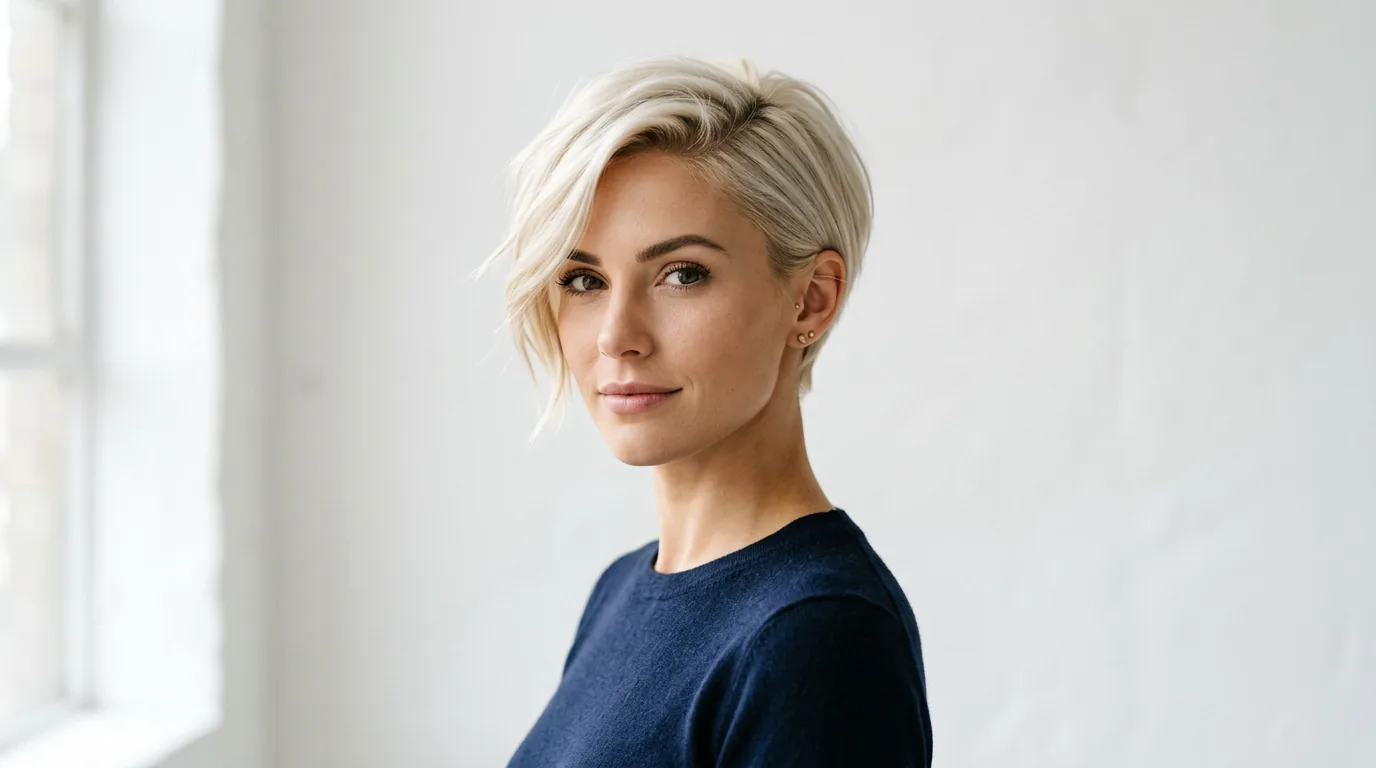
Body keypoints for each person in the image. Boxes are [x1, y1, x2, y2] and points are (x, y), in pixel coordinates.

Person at [475, 54, 933, 767]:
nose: (616, 336)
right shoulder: (623, 590)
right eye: (584, 278)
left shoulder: (816, 633)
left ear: (810, 297)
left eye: (682, 274)